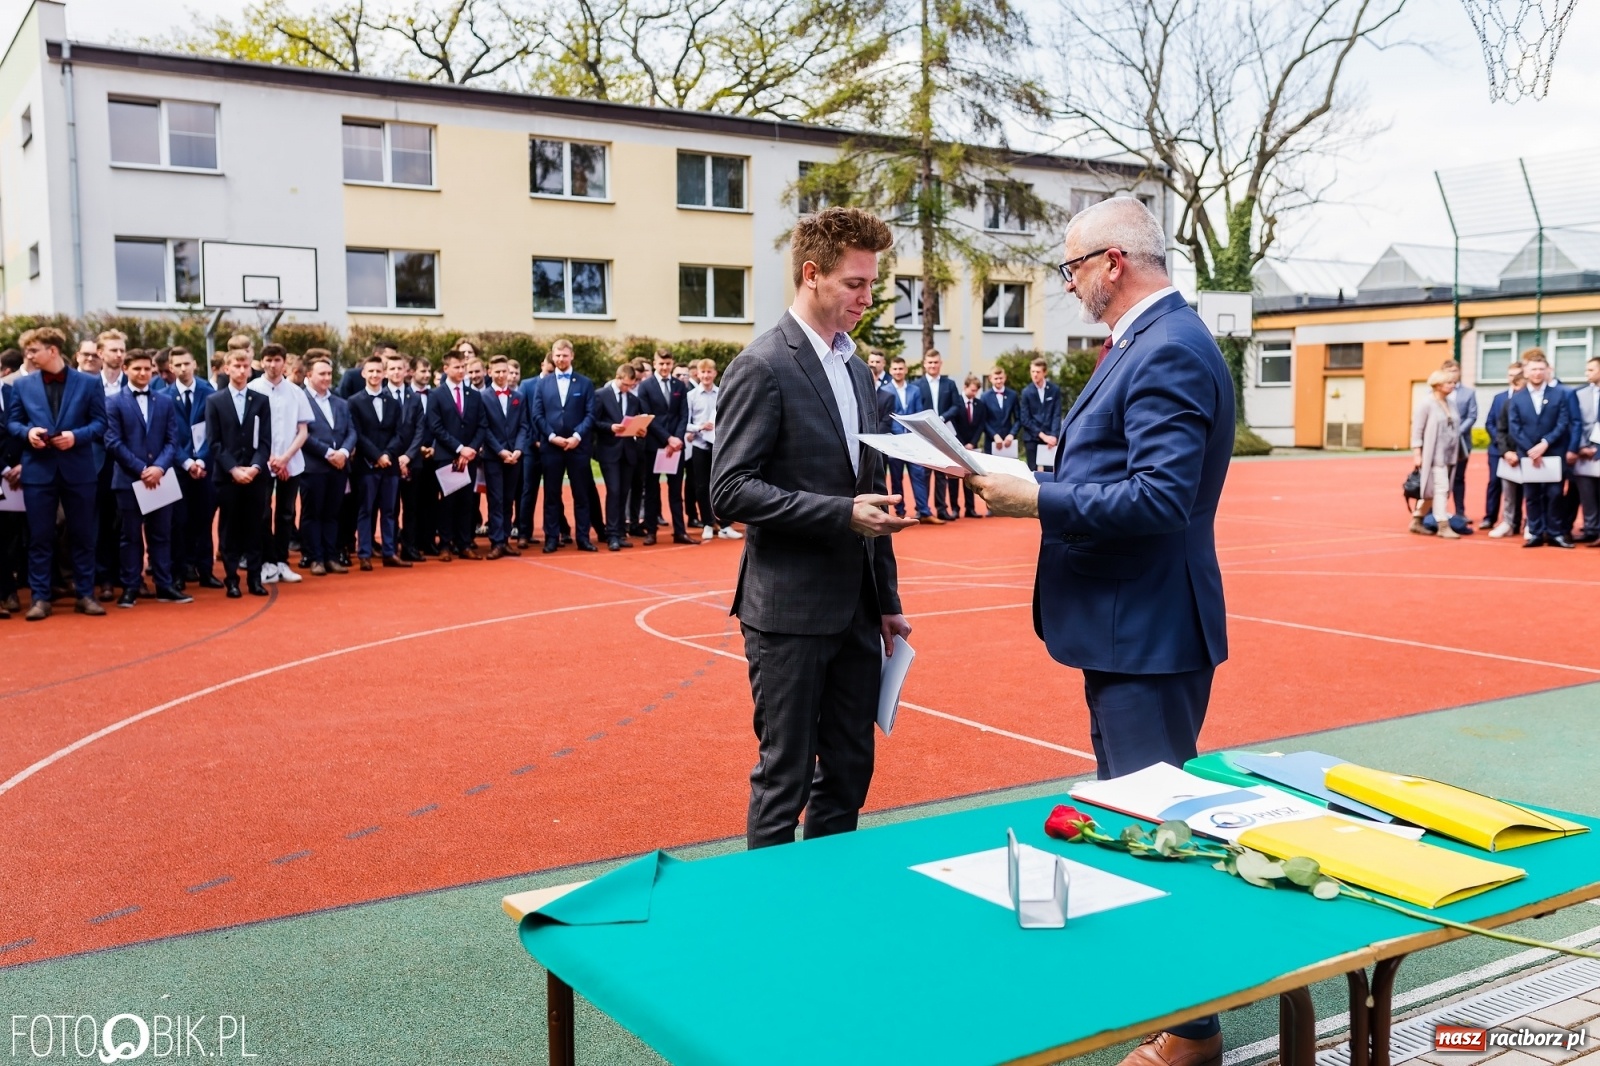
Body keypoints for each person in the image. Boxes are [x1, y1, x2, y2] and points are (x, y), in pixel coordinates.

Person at [969, 196, 1234, 1066]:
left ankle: (1190, 1032)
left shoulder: (1169, 349)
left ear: (1113, 262)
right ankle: (1176, 1007)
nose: (1070, 284)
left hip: (1147, 625)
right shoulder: (1149, 343)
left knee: (1155, 818)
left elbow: (1158, 498)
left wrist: (1034, 496)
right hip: (1129, 622)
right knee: (1132, 807)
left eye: (1072, 267)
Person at [711, 205, 913, 850]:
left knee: (851, 767)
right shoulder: (762, 364)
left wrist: (887, 604)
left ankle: (827, 895)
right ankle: (769, 918)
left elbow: (867, 490)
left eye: (872, 284)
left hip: (856, 609)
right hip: (788, 613)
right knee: (786, 776)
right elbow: (729, 489)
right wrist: (839, 514)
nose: (867, 297)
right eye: (856, 283)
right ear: (812, 275)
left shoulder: (858, 368)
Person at [6, 326, 107, 619]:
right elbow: (12, 423)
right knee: (39, 536)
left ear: (52, 350)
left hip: (78, 469)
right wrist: (28, 433)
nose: (29, 356)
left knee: (83, 534)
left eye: (33, 350)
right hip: (38, 470)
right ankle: (40, 598)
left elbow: (101, 424)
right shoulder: (22, 386)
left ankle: (86, 594)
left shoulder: (88, 383)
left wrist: (76, 436)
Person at [104, 349, 191, 605]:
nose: (143, 373)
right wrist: (142, 469)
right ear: (126, 370)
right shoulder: (113, 401)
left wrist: (160, 468)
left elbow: (172, 439)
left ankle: (164, 585)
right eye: (137, 369)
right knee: (130, 536)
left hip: (161, 477)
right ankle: (130, 586)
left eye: (146, 369)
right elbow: (112, 441)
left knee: (162, 534)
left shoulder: (164, 401)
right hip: (129, 479)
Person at [204, 349, 272, 598]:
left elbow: (265, 440)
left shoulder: (261, 400)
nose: (242, 370)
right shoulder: (215, 401)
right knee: (229, 528)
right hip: (227, 476)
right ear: (226, 368)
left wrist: (254, 467)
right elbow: (214, 442)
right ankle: (231, 578)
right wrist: (233, 468)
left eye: (245, 366)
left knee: (255, 526)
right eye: (237, 366)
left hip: (255, 476)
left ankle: (255, 578)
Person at [248, 343, 313, 586]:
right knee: (263, 513)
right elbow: (251, 431)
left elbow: (303, 430)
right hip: (261, 463)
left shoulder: (295, 392)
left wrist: (285, 458)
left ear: (284, 363)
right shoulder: (253, 389)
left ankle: (282, 561)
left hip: (291, 463)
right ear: (261, 362)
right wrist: (269, 459)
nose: (273, 365)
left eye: (277, 360)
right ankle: (267, 561)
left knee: (286, 514)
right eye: (268, 360)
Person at [529, 340, 598, 553]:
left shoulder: (585, 383)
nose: (561, 359)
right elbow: (537, 415)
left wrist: (577, 436)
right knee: (551, 494)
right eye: (557, 356)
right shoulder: (543, 383)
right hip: (552, 448)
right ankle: (551, 538)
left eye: (564, 356)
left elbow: (591, 414)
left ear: (572, 356)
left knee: (581, 494)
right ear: (552, 356)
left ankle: (584, 538)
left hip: (578, 447)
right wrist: (551, 436)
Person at [1506, 349, 1573, 548]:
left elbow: (1563, 422)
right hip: (1528, 455)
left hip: (1552, 452)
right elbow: (1514, 426)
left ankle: (1554, 533)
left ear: (1546, 371)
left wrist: (1545, 443)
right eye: (1533, 369)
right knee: (1532, 495)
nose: (1537, 373)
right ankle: (1535, 532)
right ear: (1526, 372)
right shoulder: (1517, 398)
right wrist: (1530, 449)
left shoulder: (1559, 394)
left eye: (1541, 369)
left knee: (1554, 494)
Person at [348, 355, 409, 570]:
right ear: (363, 373)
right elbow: (357, 433)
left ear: (384, 374)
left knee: (390, 510)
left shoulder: (393, 402)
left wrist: (388, 455)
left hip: (390, 465)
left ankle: (389, 552)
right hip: (366, 465)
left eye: (378, 371)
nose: (374, 375)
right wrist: (377, 456)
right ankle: (364, 553)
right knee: (365, 509)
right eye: (370, 371)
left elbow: (399, 434)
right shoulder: (354, 402)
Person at [300, 353, 356, 575]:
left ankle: (331, 556)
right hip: (314, 466)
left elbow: (352, 431)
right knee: (313, 513)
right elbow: (302, 434)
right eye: (321, 373)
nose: (326, 378)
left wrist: (343, 452)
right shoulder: (301, 400)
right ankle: (315, 558)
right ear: (309, 375)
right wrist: (328, 452)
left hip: (339, 467)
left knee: (333, 513)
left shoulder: (340, 402)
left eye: (329, 373)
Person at [428, 349, 486, 560]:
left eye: (464, 367)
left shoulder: (474, 395)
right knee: (448, 501)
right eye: (457, 367)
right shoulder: (436, 394)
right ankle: (445, 543)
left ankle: (464, 543)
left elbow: (482, 425)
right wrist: (459, 448)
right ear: (446, 369)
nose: (461, 371)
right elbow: (436, 427)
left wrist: (470, 449)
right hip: (447, 455)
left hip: (469, 456)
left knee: (467, 501)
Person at [635, 347, 692, 545]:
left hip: (676, 447)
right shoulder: (645, 386)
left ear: (672, 363)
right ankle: (651, 531)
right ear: (654, 363)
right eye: (661, 364)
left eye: (668, 364)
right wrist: (668, 438)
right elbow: (648, 417)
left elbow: (684, 415)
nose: (665, 367)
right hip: (654, 446)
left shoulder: (680, 385)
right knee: (651, 490)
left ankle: (680, 531)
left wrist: (676, 439)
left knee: (676, 492)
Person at [591, 362, 647, 551]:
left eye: (631, 385)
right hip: (609, 451)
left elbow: (635, 420)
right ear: (618, 377)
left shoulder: (632, 399)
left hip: (628, 451)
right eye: (626, 384)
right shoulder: (601, 395)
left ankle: (620, 532)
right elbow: (593, 422)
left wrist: (640, 431)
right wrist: (610, 427)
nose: (628, 388)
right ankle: (612, 534)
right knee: (613, 491)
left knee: (623, 492)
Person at [685, 359, 740, 540]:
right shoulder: (691, 396)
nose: (706, 376)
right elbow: (686, 422)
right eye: (703, 372)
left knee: (722, 484)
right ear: (697, 374)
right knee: (701, 486)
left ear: (715, 373)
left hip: (719, 446)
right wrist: (699, 427)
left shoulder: (722, 393)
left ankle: (725, 525)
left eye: (709, 372)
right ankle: (707, 523)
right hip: (700, 444)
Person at [479, 354, 526, 558]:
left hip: (514, 456)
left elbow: (524, 425)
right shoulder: (483, 397)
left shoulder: (518, 397)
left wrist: (518, 449)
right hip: (493, 456)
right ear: (489, 373)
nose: (501, 375)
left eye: (504, 371)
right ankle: (496, 541)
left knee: (508, 499)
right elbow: (484, 428)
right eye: (496, 371)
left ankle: (505, 539)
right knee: (496, 499)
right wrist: (500, 451)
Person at [1409, 370, 1462, 539]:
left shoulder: (1451, 403)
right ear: (1438, 385)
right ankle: (1442, 524)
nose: (1453, 385)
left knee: (1432, 491)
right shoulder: (1426, 404)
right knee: (1441, 489)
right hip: (1433, 455)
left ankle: (1416, 521)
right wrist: (1417, 453)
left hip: (1449, 454)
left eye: (1454, 382)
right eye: (1449, 383)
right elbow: (1417, 430)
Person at [912, 349, 961, 520]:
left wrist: (942, 417)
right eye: (929, 362)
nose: (933, 365)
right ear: (925, 364)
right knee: (923, 473)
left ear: (940, 364)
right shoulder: (917, 385)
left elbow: (957, 406)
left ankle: (942, 509)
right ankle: (922, 509)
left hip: (944, 433)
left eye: (935, 362)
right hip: (924, 434)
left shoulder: (950, 384)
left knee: (941, 473)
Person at [883, 355, 933, 521]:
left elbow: (918, 414)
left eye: (901, 369)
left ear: (905, 370)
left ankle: (924, 512)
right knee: (896, 479)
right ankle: (900, 511)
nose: (898, 372)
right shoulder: (885, 391)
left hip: (913, 442)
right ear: (891, 371)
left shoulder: (915, 390)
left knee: (918, 475)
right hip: (895, 442)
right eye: (895, 369)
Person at [399, 357, 438, 560]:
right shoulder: (403, 395)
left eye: (429, 371)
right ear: (412, 372)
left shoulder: (434, 395)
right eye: (423, 371)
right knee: (410, 504)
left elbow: (439, 424)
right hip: (409, 456)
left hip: (432, 456)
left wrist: (432, 447)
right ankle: (408, 544)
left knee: (430, 501)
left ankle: (428, 540)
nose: (427, 375)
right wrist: (415, 450)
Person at [1482, 362, 1522, 535]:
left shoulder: (1526, 398)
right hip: (1498, 450)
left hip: (1520, 451)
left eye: (1517, 374)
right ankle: (1490, 517)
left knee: (1520, 489)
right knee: (1495, 484)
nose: (1513, 378)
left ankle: (1519, 522)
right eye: (1511, 374)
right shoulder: (1500, 398)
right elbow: (1492, 423)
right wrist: (1502, 446)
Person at [1570, 356, 1600, 545]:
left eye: (1591, 370)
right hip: (1583, 453)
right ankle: (1591, 529)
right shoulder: (1579, 393)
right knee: (1586, 494)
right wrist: (1581, 447)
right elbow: (1575, 423)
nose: (1586, 373)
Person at [1442, 360, 1476, 526]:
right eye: (1448, 370)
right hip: (1441, 444)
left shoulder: (1468, 393)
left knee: (1459, 479)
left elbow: (1472, 415)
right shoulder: (1434, 392)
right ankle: (1437, 512)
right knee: (1441, 478)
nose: (1452, 373)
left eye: (1455, 370)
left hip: (1461, 443)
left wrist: (1458, 431)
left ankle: (1460, 512)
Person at [950, 374, 989, 517]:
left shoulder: (979, 405)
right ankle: (954, 508)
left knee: (971, 478)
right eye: (972, 390)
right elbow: (952, 424)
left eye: (976, 391)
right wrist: (960, 443)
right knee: (953, 479)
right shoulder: (956, 403)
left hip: (972, 447)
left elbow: (980, 426)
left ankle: (970, 508)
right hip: (956, 445)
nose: (974, 394)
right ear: (965, 387)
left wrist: (973, 442)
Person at [1018, 356, 1063, 472]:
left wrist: (1053, 436)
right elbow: (1025, 419)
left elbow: (1056, 414)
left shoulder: (1054, 390)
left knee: (1049, 471)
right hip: (1032, 437)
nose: (1035, 375)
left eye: (1038, 372)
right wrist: (1042, 435)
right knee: (1032, 472)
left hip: (1050, 437)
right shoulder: (1026, 392)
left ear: (1045, 372)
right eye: (1032, 371)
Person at [979, 365, 1019, 454]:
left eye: (1001, 378)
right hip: (991, 442)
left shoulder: (1012, 395)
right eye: (996, 378)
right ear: (990, 378)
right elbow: (983, 420)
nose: (999, 381)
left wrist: (1011, 434)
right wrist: (994, 435)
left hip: (1009, 442)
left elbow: (1018, 418)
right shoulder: (984, 397)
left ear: (1005, 378)